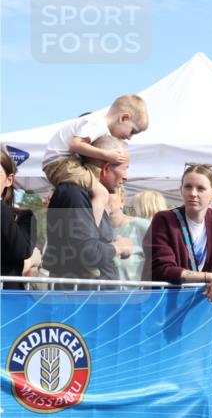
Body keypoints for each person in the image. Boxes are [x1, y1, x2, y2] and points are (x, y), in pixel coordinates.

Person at [42, 95, 148, 226]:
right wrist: (106, 155)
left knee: (96, 187)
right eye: (132, 131)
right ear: (123, 118)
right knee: (101, 193)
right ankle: (93, 228)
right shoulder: (97, 124)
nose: (130, 137)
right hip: (60, 163)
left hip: (65, 161)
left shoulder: (97, 124)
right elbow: (75, 144)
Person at [43, 136, 133, 283]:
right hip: (80, 295)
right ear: (106, 168)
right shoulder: (74, 194)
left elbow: (85, 243)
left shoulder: (89, 196)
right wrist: (118, 247)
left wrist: (109, 244)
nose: (126, 177)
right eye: (124, 168)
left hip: (91, 294)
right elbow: (88, 253)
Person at [146, 164, 212, 303]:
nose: (193, 193)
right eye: (188, 187)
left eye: (200, 188)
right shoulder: (164, 219)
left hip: (205, 303)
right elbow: (164, 269)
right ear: (181, 190)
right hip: (168, 304)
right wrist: (210, 277)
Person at [1, 146, 41, 288]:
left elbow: (22, 251)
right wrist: (30, 262)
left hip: (8, 297)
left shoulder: (23, 217)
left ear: (9, 180)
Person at [108, 186, 149, 282]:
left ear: (122, 201)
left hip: (136, 291)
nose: (105, 197)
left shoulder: (142, 226)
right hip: (102, 291)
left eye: (110, 192)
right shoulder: (92, 231)